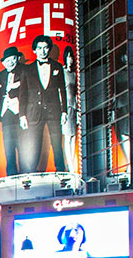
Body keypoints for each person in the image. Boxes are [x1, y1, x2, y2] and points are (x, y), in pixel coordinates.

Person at [19, 34, 68, 173]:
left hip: (54, 111)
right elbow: (23, 94)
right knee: (34, 143)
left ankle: (61, 170)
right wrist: (22, 115)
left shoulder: (57, 67)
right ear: (35, 50)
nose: (43, 51)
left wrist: (64, 111)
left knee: (57, 142)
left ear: (49, 49)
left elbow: (62, 90)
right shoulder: (27, 70)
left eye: (45, 48)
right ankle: (31, 171)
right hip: (34, 112)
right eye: (39, 48)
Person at [0, 46, 26, 176]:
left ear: (17, 59)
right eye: (7, 60)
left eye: (13, 59)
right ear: (3, 62)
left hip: (20, 113)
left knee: (23, 145)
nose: (10, 62)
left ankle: (25, 172)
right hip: (5, 115)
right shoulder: (1, 75)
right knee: (8, 148)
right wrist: (9, 87)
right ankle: (11, 174)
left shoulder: (24, 71)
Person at [62, 45, 78, 173]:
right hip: (65, 106)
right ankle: (70, 166)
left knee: (74, 137)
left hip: (74, 106)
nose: (70, 59)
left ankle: (72, 165)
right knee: (67, 137)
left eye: (71, 57)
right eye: (68, 57)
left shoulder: (73, 74)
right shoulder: (63, 72)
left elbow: (76, 93)